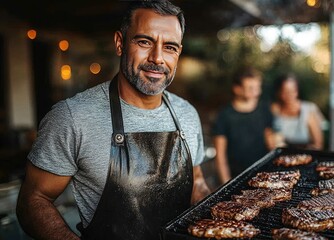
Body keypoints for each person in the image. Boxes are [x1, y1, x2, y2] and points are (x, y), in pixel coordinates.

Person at [16, 1, 211, 239]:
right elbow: (33, 200)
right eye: (144, 42)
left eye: (169, 47)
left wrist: (216, 218)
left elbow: (197, 181)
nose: (158, 58)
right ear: (120, 43)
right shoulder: (72, 116)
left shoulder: (187, 114)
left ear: (178, 52)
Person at [212, 67, 274, 185]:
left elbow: (270, 140)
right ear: (237, 89)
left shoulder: (264, 109)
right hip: (236, 177)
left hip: (263, 174)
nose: (256, 92)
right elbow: (220, 155)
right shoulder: (224, 115)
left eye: (258, 88)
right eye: (251, 88)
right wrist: (227, 183)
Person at [271, 73, 324, 150]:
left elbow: (318, 144)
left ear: (297, 91)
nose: (290, 95)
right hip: (281, 155)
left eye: (293, 91)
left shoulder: (308, 110)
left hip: (306, 155)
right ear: (279, 92)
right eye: (285, 91)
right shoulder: (274, 109)